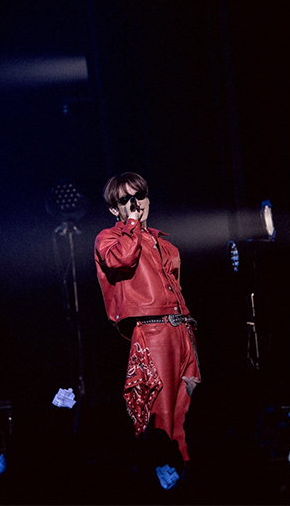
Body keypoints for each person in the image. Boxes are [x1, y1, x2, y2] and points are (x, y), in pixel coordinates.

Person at [94, 172, 201, 463]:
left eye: (139, 196)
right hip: (153, 333)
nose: (135, 203)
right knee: (160, 414)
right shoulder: (110, 238)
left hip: (183, 329)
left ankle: (189, 474)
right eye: (125, 200)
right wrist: (132, 224)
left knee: (191, 413)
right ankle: (161, 474)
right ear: (114, 209)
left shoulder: (163, 243)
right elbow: (122, 259)